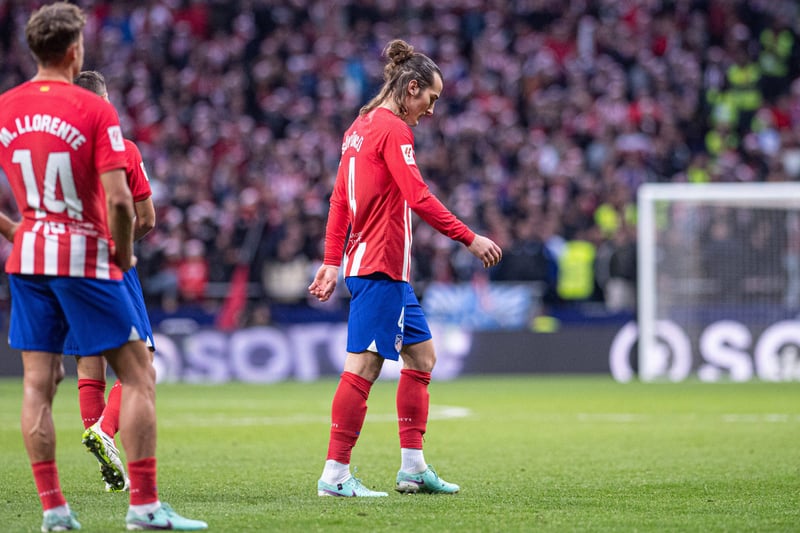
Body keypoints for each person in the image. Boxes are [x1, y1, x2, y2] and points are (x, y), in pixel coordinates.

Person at [0, 3, 206, 531]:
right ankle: (144, 507)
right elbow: (119, 202)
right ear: (74, 51)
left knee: (38, 385)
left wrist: (16, 232)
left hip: (29, 257)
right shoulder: (94, 110)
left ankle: (54, 511)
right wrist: (122, 253)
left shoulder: (6, 107)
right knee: (140, 373)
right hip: (83, 255)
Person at [308, 39, 502, 497]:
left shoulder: (359, 126)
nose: (431, 110)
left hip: (378, 268)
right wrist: (469, 238)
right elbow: (418, 196)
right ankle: (335, 474)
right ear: (411, 87)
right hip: (380, 266)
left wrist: (332, 261)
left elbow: (339, 200)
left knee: (422, 356)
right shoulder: (394, 130)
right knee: (363, 366)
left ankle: (413, 469)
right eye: (430, 98)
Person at [68, 70, 157, 494]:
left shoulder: (58, 151)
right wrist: (120, 244)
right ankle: (105, 430)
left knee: (89, 364)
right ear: (105, 102)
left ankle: (110, 465)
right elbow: (147, 219)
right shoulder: (123, 148)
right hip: (112, 263)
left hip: (66, 263)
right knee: (142, 364)